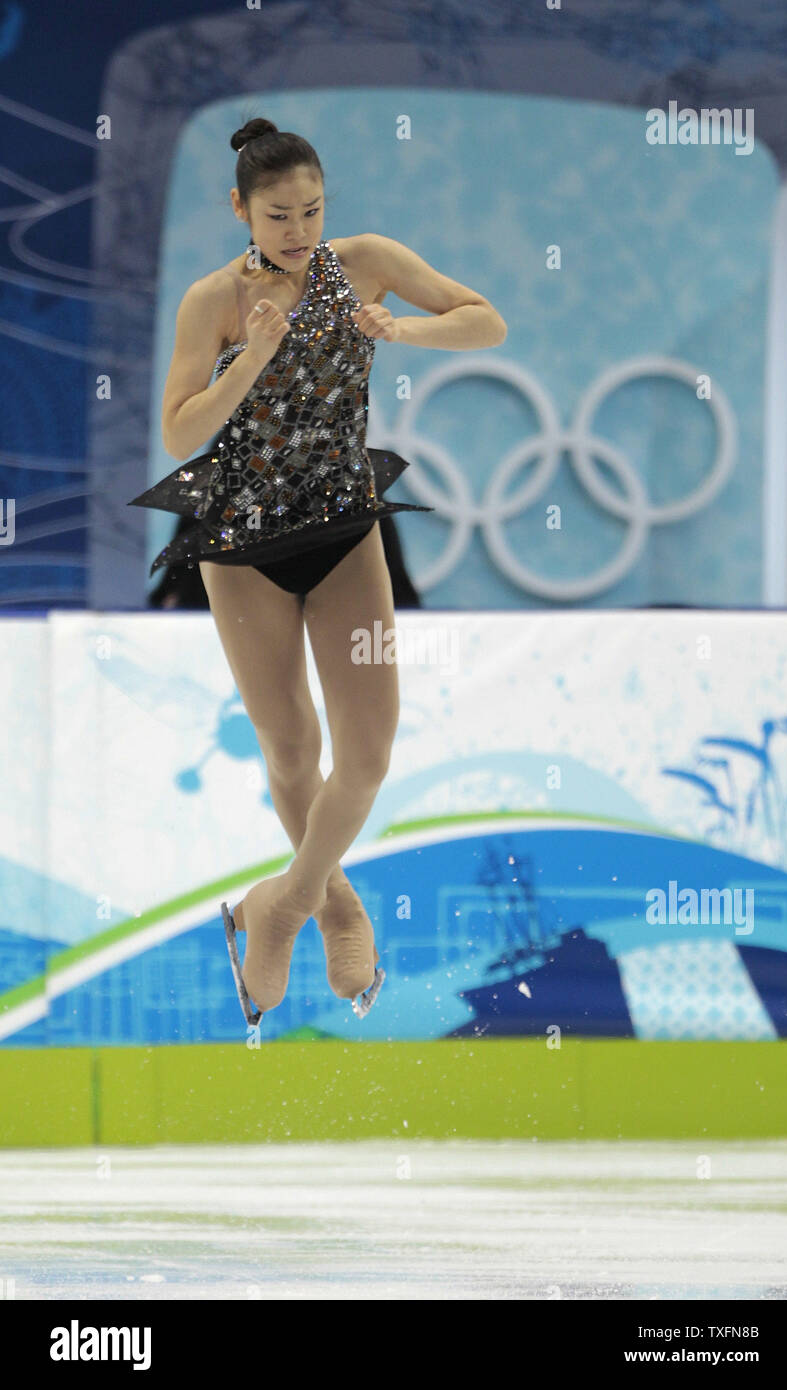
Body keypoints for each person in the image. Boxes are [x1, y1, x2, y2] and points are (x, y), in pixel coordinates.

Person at [128, 116, 507, 1022]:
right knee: (293, 748)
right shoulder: (211, 302)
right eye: (277, 215)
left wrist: (404, 332)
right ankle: (338, 909)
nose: (297, 230)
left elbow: (486, 322)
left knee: (368, 757)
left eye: (311, 210)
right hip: (242, 546)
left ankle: (280, 906)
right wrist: (248, 359)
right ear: (240, 210)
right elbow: (178, 431)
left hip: (343, 530)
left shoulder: (364, 261)